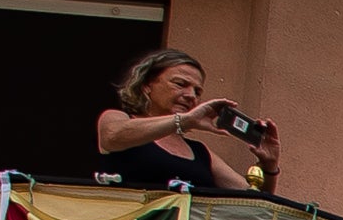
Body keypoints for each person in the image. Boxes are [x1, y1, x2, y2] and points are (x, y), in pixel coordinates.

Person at [95, 48, 279, 195]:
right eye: (180, 84)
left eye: (197, 92)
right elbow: (112, 137)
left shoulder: (200, 152)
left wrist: (269, 165)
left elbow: (254, 201)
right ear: (147, 86)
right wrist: (186, 120)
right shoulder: (118, 118)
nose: (191, 96)